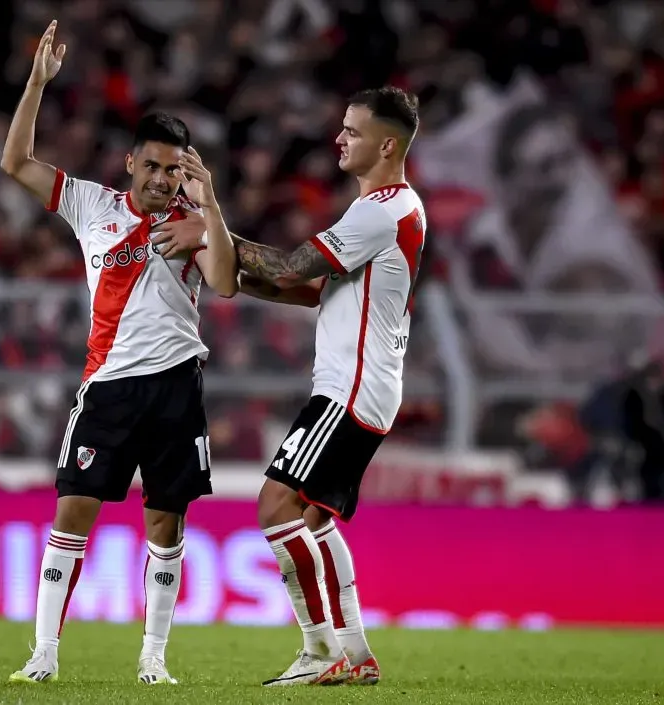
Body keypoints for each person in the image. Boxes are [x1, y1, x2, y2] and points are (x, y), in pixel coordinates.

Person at [153, 86, 426, 686]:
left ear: (386, 144)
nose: (339, 139)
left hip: (350, 389)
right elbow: (296, 290)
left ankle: (320, 649)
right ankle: (354, 653)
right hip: (367, 387)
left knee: (275, 504)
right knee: (314, 518)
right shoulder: (394, 208)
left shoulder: (380, 211)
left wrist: (210, 224)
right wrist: (219, 264)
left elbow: (289, 267)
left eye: (352, 131)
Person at [0, 20, 238, 686]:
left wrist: (211, 205)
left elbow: (223, 282)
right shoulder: (90, 204)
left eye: (175, 168)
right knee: (72, 509)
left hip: (176, 386)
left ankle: (153, 658)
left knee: (166, 522)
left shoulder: (193, 224)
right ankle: (43, 652)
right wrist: (37, 84)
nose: (164, 178)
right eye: (154, 165)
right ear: (131, 162)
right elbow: (15, 163)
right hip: (107, 386)